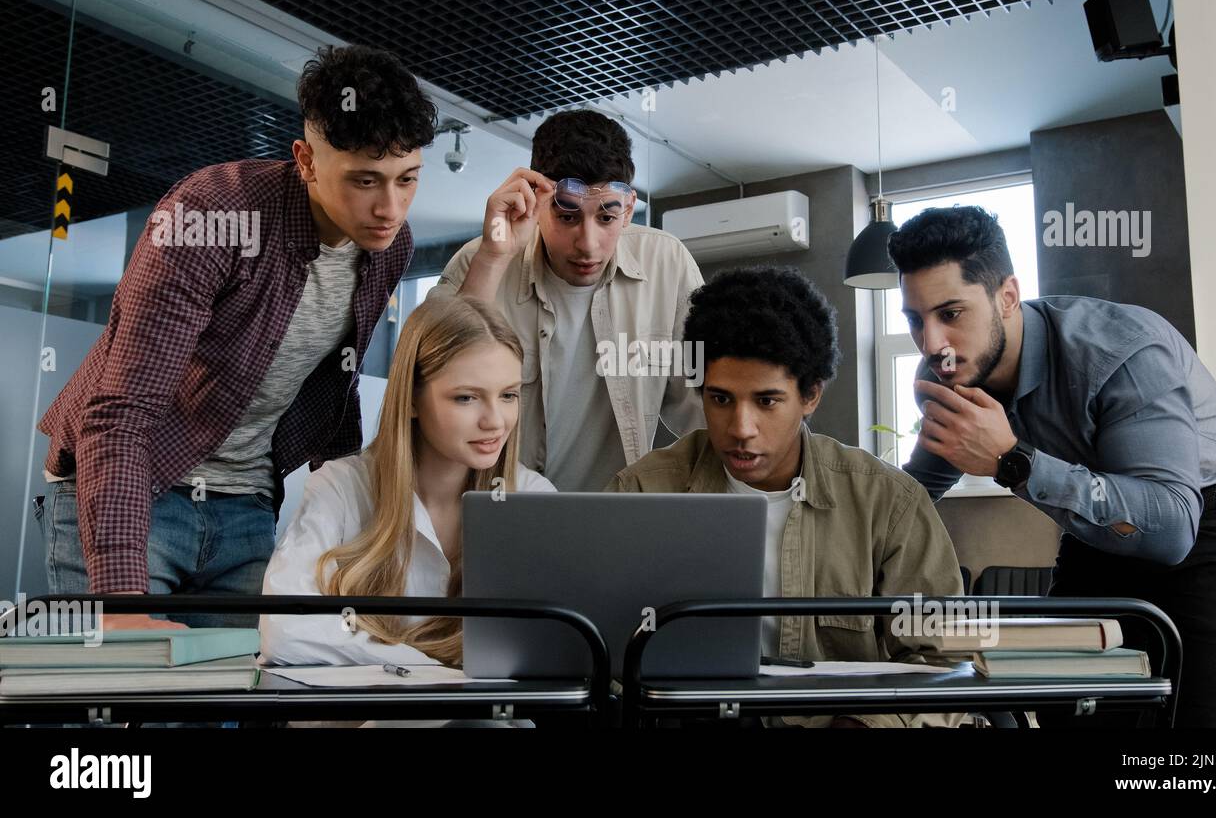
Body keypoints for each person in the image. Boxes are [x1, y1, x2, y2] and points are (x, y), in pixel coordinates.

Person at [35, 45, 436, 630]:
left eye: (408, 180)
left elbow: (334, 389)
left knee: (249, 696)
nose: (390, 207)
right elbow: (121, 412)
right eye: (365, 181)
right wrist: (121, 608)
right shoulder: (212, 214)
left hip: (247, 503)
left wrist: (356, 535)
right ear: (305, 159)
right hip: (131, 486)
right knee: (124, 700)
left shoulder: (390, 247)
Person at [893, 205, 1216, 728]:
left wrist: (1012, 461)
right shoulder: (947, 372)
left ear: (1007, 296)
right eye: (916, 320)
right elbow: (915, 493)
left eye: (951, 314)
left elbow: (1170, 529)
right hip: (1101, 530)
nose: (933, 344)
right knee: (1071, 704)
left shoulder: (1121, 351)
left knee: (1196, 733)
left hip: (1207, 522)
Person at [607, 266, 965, 728]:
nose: (740, 428)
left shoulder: (888, 502)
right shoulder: (641, 494)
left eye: (767, 401)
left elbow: (945, 664)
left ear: (811, 395)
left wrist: (866, 724)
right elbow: (605, 661)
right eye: (719, 400)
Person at [259, 295, 555, 667]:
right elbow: (285, 633)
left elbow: (548, 649)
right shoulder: (342, 488)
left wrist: (386, 661)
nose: (495, 421)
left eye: (508, 395)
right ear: (411, 399)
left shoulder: (533, 499)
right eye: (466, 398)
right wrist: (436, 675)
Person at [430, 109, 705, 491]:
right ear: (537, 202)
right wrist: (493, 259)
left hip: (616, 519)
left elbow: (703, 408)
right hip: (500, 509)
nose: (587, 244)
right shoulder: (480, 260)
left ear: (628, 210)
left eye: (606, 218)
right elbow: (432, 384)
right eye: (568, 216)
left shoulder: (667, 264)